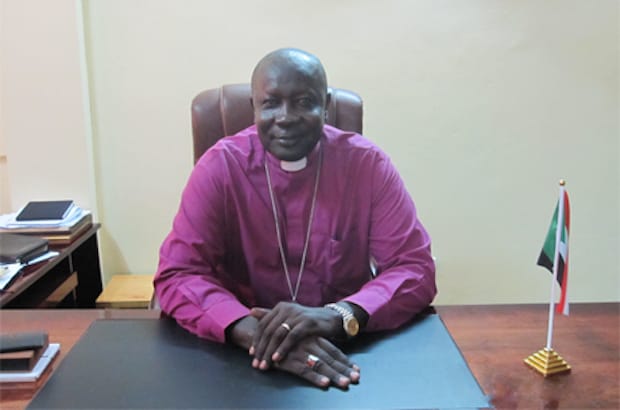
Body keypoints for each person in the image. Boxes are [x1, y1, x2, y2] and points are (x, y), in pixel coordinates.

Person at [154, 48, 436, 389]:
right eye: (271, 103)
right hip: (240, 355)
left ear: (326, 105)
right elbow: (178, 274)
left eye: (303, 102)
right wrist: (258, 335)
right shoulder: (220, 167)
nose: (285, 118)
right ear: (254, 108)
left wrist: (338, 316)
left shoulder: (367, 165)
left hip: (346, 351)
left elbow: (415, 268)